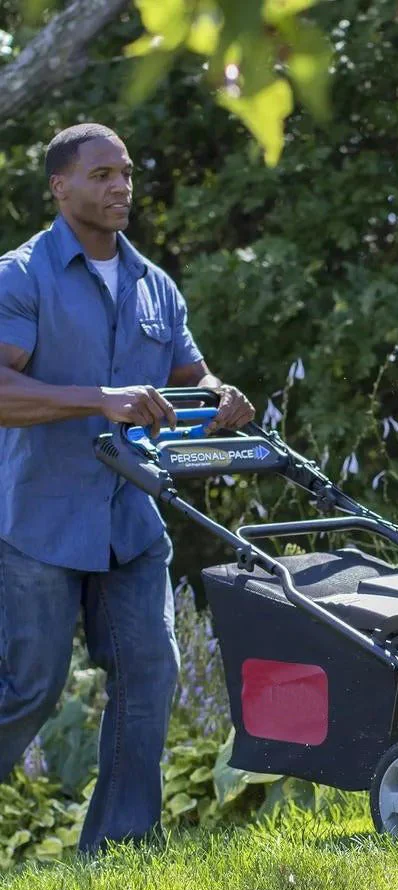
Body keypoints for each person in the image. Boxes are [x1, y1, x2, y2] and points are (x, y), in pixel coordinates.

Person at [0, 122, 255, 852]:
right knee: (31, 688)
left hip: (130, 518)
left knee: (150, 674)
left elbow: (188, 375)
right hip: (38, 524)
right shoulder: (22, 277)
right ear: (61, 186)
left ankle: (117, 848)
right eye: (103, 175)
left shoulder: (154, 285)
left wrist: (220, 394)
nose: (121, 187)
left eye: (127, 174)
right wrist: (98, 398)